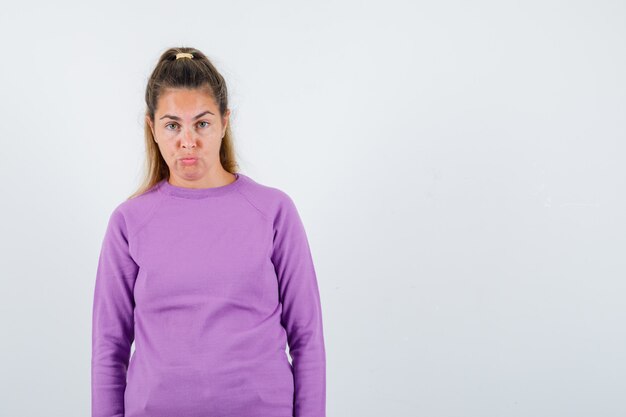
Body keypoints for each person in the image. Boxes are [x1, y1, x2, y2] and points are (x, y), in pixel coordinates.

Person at [91, 47, 326, 417]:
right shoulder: (129, 221)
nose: (188, 141)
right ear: (152, 127)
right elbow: (109, 347)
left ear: (224, 122)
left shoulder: (273, 211)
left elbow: (307, 337)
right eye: (172, 125)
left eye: (202, 123)